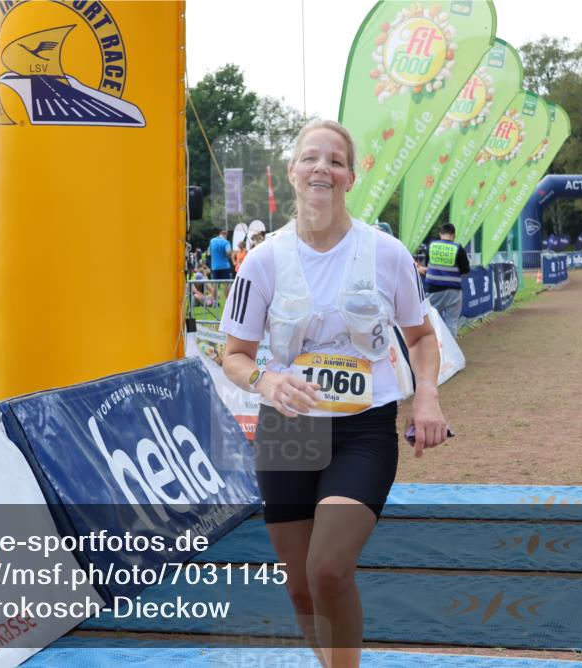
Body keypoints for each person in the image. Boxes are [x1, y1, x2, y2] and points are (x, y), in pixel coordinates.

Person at [219, 119, 449, 668]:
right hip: (288, 430)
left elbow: (420, 338)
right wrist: (267, 380)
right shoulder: (264, 261)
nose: (323, 167)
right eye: (311, 158)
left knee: (328, 569)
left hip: (362, 429)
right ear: (293, 172)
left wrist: (427, 397)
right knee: (300, 587)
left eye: (336, 160)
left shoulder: (386, 253)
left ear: (351, 176)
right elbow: (233, 356)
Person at [424, 223, 470, 338]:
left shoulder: (431, 246)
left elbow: (428, 267)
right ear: (453, 235)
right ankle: (451, 351)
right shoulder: (458, 248)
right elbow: (466, 271)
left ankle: (433, 346)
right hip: (454, 291)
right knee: (452, 323)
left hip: (434, 290)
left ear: (440, 234)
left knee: (429, 319)